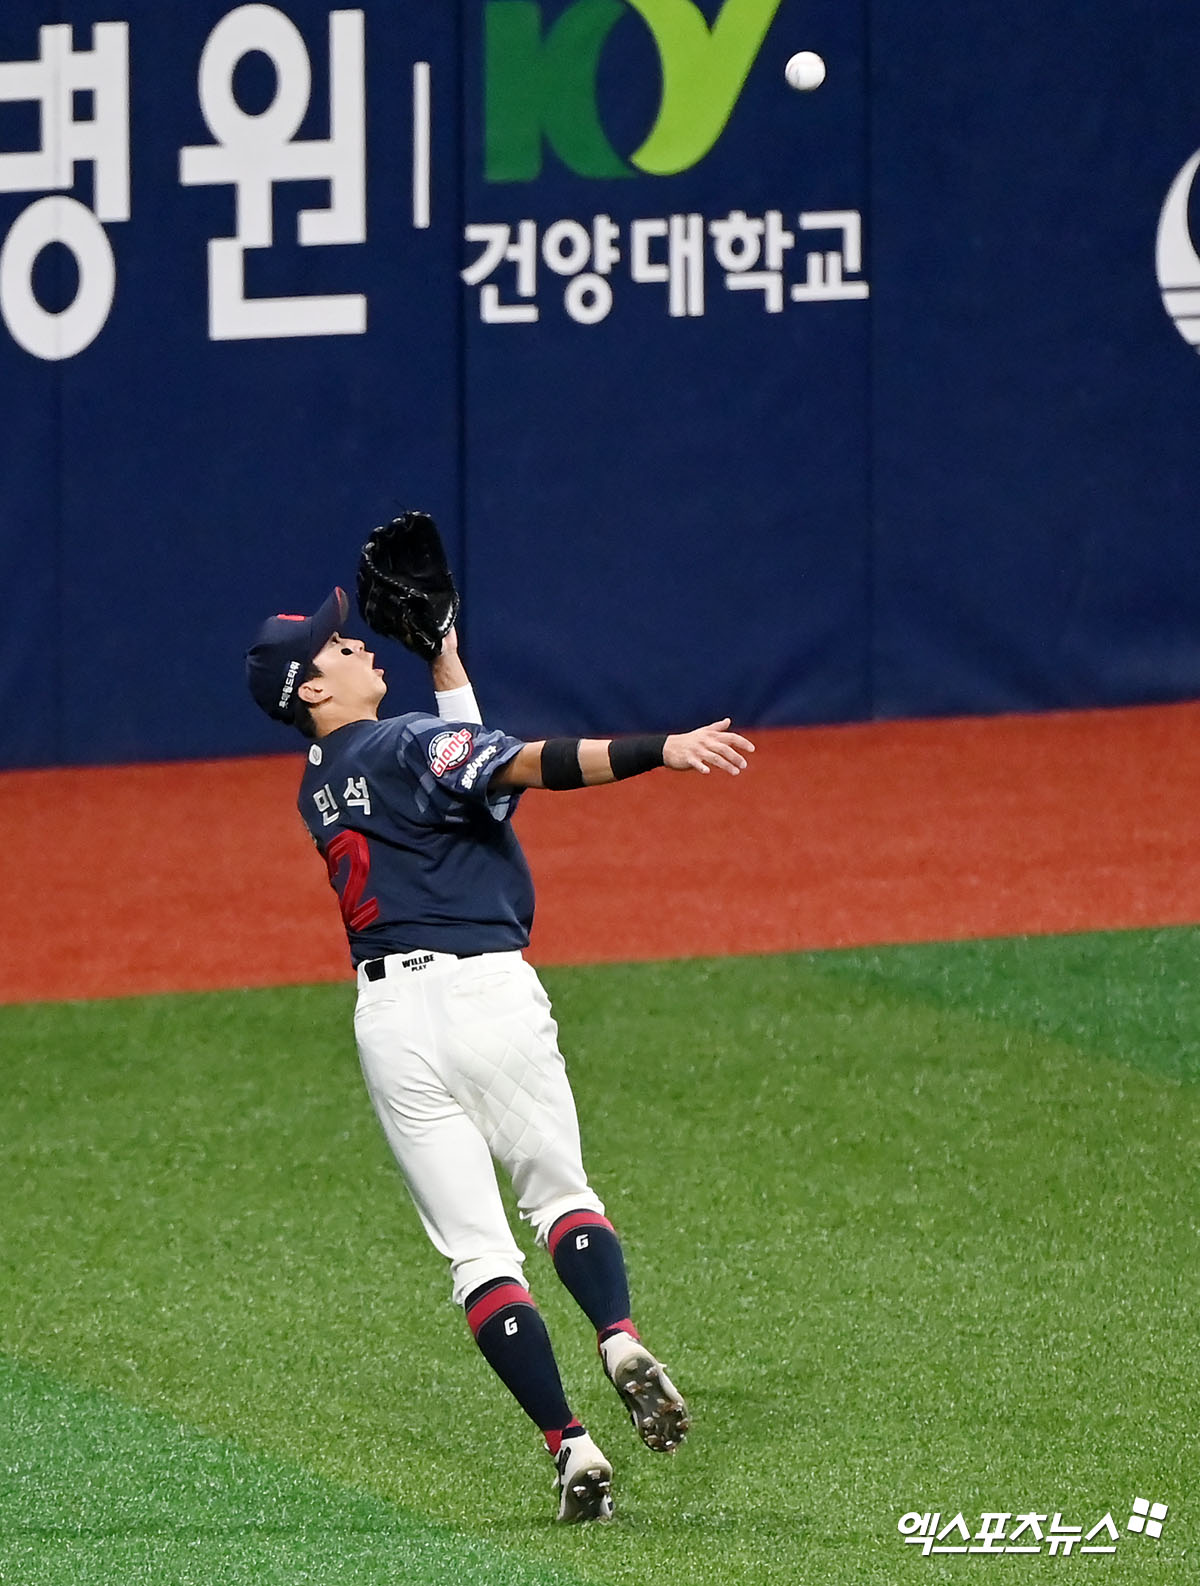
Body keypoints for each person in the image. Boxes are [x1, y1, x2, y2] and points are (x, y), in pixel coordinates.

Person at [245, 586, 754, 1522]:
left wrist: (445, 664)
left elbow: (463, 789)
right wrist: (661, 751)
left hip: (390, 1025)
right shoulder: (402, 741)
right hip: (487, 996)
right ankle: (618, 1336)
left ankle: (570, 1446)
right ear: (312, 691)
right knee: (560, 1197)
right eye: (337, 649)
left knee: (479, 1260)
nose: (358, 647)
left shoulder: (321, 781)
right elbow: (522, 767)